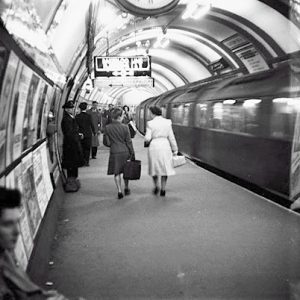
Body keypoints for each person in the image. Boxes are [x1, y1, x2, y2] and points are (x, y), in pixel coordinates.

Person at [0, 186, 68, 299]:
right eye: (7, 224)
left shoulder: (5, 255)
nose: (17, 231)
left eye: (17, 222)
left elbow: (26, 291)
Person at [144, 106, 178, 196]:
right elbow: (171, 137)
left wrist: (146, 138)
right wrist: (175, 149)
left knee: (154, 168)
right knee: (165, 168)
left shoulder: (150, 123)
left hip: (154, 146)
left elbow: (147, 138)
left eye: (150, 113)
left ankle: (156, 186)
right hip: (165, 146)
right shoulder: (167, 122)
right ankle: (163, 189)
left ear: (153, 113)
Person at [104, 107, 135, 199]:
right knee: (126, 171)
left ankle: (119, 191)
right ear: (120, 116)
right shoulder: (125, 127)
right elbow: (129, 141)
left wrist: (112, 145)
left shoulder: (107, 127)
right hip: (125, 151)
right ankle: (126, 187)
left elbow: (106, 142)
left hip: (114, 152)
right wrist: (132, 152)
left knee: (116, 172)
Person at [61, 101, 84, 190]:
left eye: (73, 108)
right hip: (70, 146)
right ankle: (71, 183)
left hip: (73, 145)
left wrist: (78, 135)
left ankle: (73, 181)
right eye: (70, 108)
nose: (72, 109)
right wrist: (78, 136)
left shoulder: (70, 118)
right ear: (66, 109)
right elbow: (69, 133)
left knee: (74, 164)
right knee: (71, 164)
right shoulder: (67, 119)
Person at [75, 102, 95, 166]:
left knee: (81, 148)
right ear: (86, 108)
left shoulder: (77, 116)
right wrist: (94, 132)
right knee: (87, 148)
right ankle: (87, 161)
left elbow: (75, 126)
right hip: (88, 134)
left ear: (80, 108)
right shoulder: (89, 116)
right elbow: (91, 124)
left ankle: (82, 161)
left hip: (80, 134)